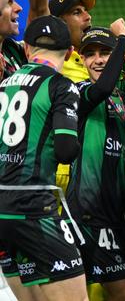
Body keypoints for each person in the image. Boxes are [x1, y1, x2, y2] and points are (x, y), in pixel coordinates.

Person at [0, 15, 87, 301]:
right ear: (71, 52)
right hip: (34, 206)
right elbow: (65, 149)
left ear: (27, 49)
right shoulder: (61, 85)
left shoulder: (3, 85)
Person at [65, 22, 125, 301]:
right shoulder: (78, 92)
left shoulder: (123, 98)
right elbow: (104, 86)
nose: (98, 59)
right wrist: (122, 40)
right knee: (122, 293)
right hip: (87, 212)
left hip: (117, 211)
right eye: (90, 53)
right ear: (81, 60)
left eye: (104, 52)